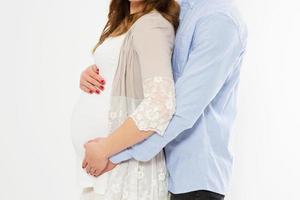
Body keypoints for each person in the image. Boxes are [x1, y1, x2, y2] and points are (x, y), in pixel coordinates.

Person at [79, 0, 247, 199]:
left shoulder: (220, 19)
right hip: (165, 170)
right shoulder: (179, 9)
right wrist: (104, 71)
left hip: (194, 180)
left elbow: (181, 110)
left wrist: (114, 152)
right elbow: (152, 72)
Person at [70, 0, 180, 199]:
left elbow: (160, 104)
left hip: (120, 167)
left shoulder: (151, 25)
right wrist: (91, 75)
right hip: (103, 171)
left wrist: (105, 148)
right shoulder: (124, 20)